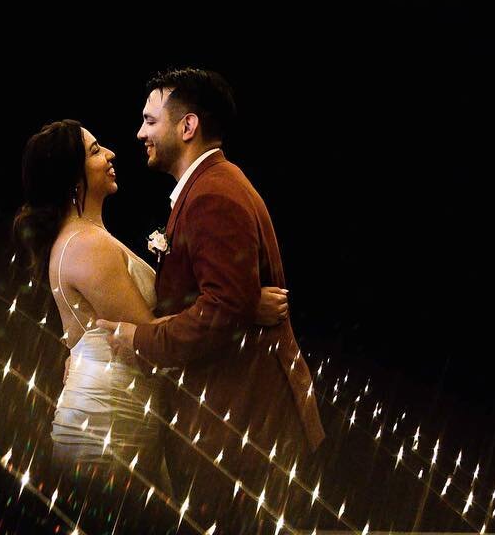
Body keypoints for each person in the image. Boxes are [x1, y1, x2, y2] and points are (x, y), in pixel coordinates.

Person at [99, 68, 325, 531]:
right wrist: (241, 304)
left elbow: (221, 310)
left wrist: (139, 340)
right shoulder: (212, 186)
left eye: (149, 120)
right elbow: (226, 301)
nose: (139, 132)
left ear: (188, 126)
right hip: (247, 428)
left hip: (249, 432)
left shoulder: (213, 195)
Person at [14, 118, 289, 488]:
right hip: (106, 423)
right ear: (72, 179)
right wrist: (242, 305)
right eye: (95, 151)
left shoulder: (86, 237)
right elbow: (149, 338)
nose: (111, 154)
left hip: (121, 411)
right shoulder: (86, 245)